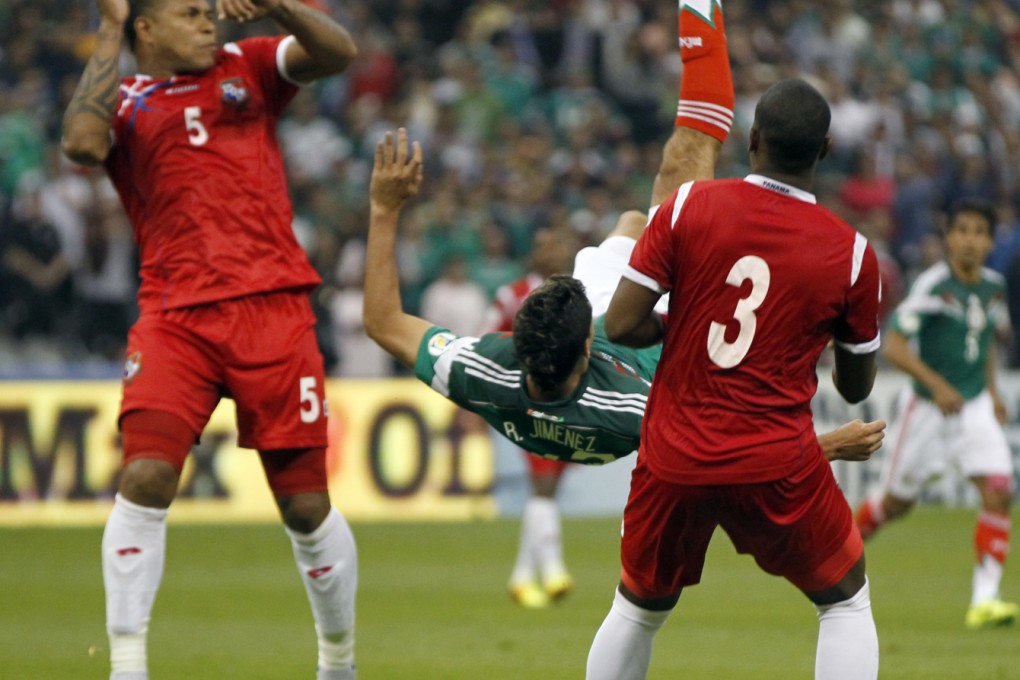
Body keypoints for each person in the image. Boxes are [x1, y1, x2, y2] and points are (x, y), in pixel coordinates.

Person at [60, 2, 358, 678]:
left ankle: (338, 663)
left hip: (273, 310)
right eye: (189, 13)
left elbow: (339, 54)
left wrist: (280, 5)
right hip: (176, 317)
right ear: (146, 29)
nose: (208, 22)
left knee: (306, 506)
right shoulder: (126, 100)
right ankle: (128, 666)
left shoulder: (247, 66)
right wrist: (107, 28)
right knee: (145, 476)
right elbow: (80, 143)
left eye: (209, 10)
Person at [584, 5, 883, 680]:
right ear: (826, 152)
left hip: (675, 454)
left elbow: (625, 323)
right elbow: (855, 385)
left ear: (752, 139)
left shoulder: (692, 207)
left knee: (637, 607)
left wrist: (683, 329)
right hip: (775, 462)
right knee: (843, 600)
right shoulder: (853, 254)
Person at [854, 198, 1017, 630]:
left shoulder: (993, 287)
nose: (969, 240)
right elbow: (894, 347)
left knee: (999, 489)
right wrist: (939, 385)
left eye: (978, 232)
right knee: (896, 504)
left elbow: (981, 342)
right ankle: (837, 550)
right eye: (961, 230)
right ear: (949, 238)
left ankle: (985, 599)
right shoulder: (933, 285)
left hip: (975, 405)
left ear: (989, 241)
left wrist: (995, 391)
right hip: (927, 410)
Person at [481, 226, 580, 608]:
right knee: (543, 486)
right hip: (528, 403)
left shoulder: (577, 294)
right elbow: (485, 339)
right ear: (534, 253)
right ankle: (554, 570)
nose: (552, 250)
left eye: (557, 243)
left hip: (570, 404)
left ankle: (522, 577)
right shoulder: (513, 295)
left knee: (549, 487)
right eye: (544, 244)